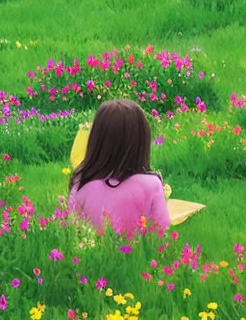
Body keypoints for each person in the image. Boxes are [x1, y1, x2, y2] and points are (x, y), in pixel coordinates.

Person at [68, 99, 171, 236]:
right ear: (141, 142)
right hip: (138, 255)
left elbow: (74, 230)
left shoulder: (81, 180)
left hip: (92, 255)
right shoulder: (151, 185)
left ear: (96, 140)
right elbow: (162, 232)